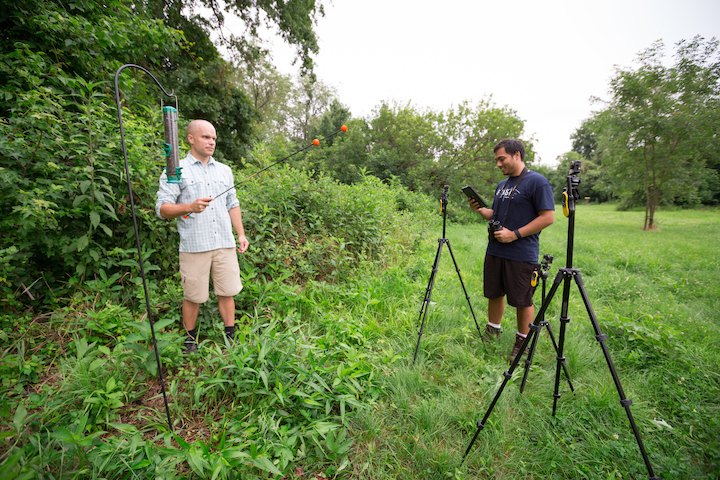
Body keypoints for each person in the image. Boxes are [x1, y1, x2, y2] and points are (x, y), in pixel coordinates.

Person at [156, 119, 250, 354]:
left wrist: (240, 233)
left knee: (227, 292)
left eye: (214, 138)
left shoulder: (224, 171)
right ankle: (190, 341)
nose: (211, 142)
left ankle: (231, 338)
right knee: (193, 296)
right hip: (194, 246)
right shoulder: (176, 170)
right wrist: (189, 206)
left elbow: (233, 203)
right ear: (190, 139)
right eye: (206, 137)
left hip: (224, 243)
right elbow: (162, 209)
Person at [468, 138, 554, 363]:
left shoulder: (537, 182)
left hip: (521, 252)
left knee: (523, 299)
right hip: (495, 249)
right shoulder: (502, 185)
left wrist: (514, 234)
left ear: (517, 155)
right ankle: (492, 331)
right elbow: (494, 214)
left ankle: (522, 342)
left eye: (501, 158)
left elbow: (548, 217)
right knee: (494, 293)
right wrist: (481, 210)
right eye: (496, 160)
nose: (498, 164)